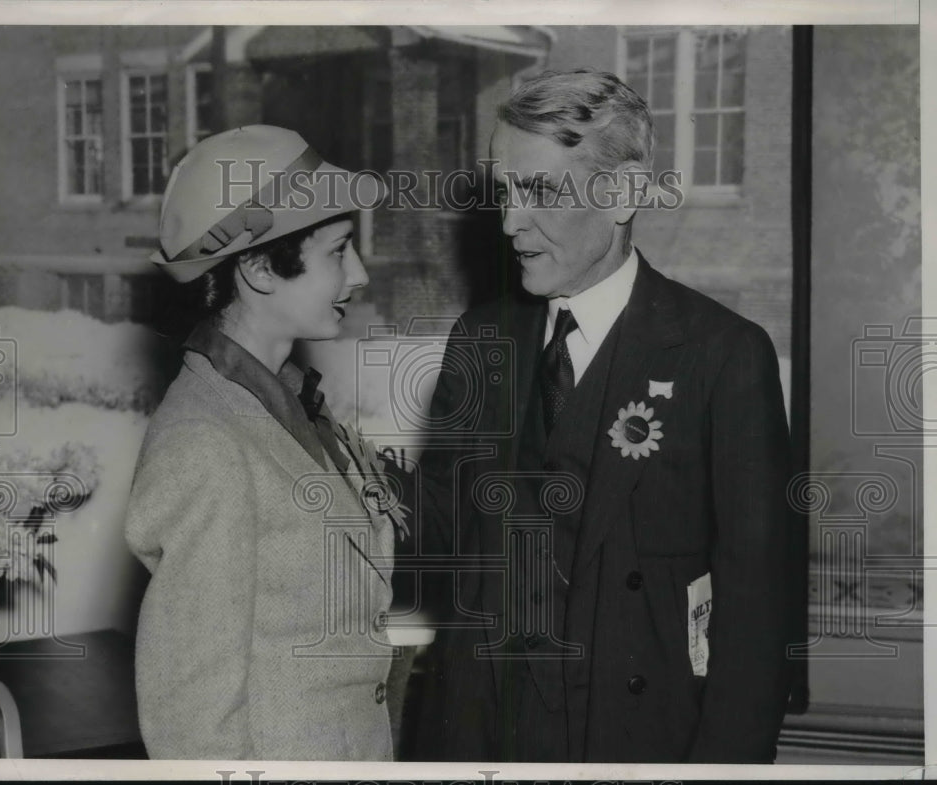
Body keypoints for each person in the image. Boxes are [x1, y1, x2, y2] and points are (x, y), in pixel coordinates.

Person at [411, 70, 796, 763]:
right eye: (505, 192)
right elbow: (434, 535)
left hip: (636, 743)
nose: (509, 222)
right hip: (487, 735)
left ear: (621, 194)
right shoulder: (480, 339)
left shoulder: (723, 357)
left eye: (539, 191)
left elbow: (757, 624)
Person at [125, 125, 398, 760]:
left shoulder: (286, 405)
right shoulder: (206, 443)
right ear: (256, 268)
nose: (358, 274)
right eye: (338, 251)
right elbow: (191, 722)